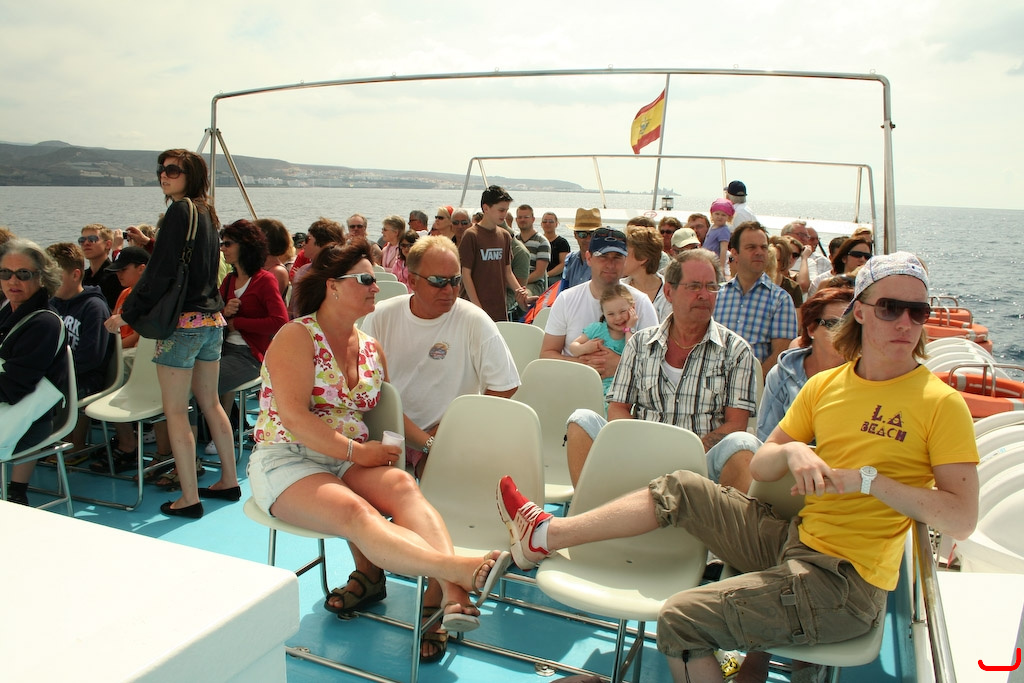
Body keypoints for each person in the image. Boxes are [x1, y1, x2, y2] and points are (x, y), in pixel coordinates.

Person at [496, 253, 979, 683]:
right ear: (861, 311)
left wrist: (869, 481)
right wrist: (793, 451)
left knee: (679, 619)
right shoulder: (828, 386)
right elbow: (764, 465)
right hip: (797, 539)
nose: (905, 323)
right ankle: (547, 534)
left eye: (918, 312)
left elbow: (961, 518)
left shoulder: (939, 403)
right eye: (890, 308)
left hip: (846, 581)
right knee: (682, 487)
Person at [247, 239, 511, 663]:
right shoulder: (296, 337)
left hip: (348, 458)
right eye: (365, 279)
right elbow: (294, 417)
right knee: (356, 512)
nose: (377, 287)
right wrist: (357, 452)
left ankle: (445, 596)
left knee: (404, 488)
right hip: (289, 458)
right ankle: (456, 576)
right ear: (332, 286)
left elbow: (383, 413)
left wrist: (417, 448)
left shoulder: (371, 348)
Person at [107, 148, 235, 519]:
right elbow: (191, 262)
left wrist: (127, 314)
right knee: (210, 404)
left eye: (173, 170)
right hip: (211, 321)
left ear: (191, 175)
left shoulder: (179, 211)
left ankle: (189, 497)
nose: (164, 175)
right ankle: (228, 480)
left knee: (176, 411)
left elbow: (161, 271)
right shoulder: (207, 212)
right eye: (161, 169)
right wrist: (152, 244)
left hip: (182, 325)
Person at [563, 250, 757, 488]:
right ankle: (589, 508)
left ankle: (722, 512)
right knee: (581, 420)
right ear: (669, 292)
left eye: (711, 287)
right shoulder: (639, 343)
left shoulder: (736, 351)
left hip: (701, 462)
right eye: (694, 286)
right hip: (641, 453)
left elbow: (736, 424)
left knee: (743, 443)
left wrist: (687, 453)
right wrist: (646, 447)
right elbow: (618, 408)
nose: (704, 295)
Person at [201, 220, 289, 488]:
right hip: (224, 350)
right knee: (189, 380)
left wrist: (238, 322)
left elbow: (280, 322)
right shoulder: (229, 281)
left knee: (199, 384)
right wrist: (223, 311)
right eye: (222, 244)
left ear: (245, 246)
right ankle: (207, 438)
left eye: (228, 244)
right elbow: (214, 313)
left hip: (250, 356)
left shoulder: (264, 280)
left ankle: (210, 441)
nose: (223, 249)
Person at [540, 227, 658, 383]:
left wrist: (620, 364)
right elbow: (547, 354)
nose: (610, 264)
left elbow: (655, 360)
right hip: (573, 386)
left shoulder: (641, 302)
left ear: (625, 260)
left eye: (617, 257)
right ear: (588, 258)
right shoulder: (566, 299)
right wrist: (585, 365)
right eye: (603, 256)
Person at [0, 239, 67, 506]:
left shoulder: (44, 323)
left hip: (28, 423)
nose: (12, 281)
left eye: (23, 274)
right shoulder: (7, 311)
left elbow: (13, 388)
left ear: (42, 277)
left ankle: (16, 493)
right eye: (5, 273)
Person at [46, 242, 112, 455]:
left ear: (75, 275)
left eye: (55, 276)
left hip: (87, 379)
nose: (48, 282)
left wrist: (52, 372)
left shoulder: (94, 307)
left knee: (35, 392)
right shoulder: (50, 305)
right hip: (56, 374)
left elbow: (91, 357)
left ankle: (70, 443)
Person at [714, 222, 799, 376]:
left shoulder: (780, 300)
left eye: (763, 247)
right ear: (735, 253)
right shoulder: (717, 295)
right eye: (751, 247)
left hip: (756, 384)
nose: (759, 252)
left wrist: (754, 383)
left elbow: (781, 353)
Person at [100, 246, 149, 469]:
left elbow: (138, 336)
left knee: (108, 373)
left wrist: (111, 350)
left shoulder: (148, 297)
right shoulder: (125, 293)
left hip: (138, 355)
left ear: (141, 269)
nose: (118, 274)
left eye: (123, 269)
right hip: (122, 351)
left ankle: (128, 444)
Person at [458, 185, 528, 322]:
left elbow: (507, 271)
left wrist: (521, 293)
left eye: (506, 210)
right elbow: (466, 275)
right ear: (486, 208)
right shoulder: (471, 235)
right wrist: (477, 309)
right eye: (501, 210)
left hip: (498, 308)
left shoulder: (505, 236)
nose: (504, 214)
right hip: (473, 310)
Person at [568, 285, 637, 396]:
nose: (618, 318)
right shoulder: (597, 329)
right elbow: (573, 347)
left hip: (618, 387)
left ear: (632, 308)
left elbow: (629, 356)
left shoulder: (633, 335)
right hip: (592, 384)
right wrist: (585, 348)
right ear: (603, 313)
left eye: (623, 311)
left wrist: (629, 328)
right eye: (611, 314)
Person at [621, 226, 671, 321]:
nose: (620, 258)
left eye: (625, 253)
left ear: (643, 258)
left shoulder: (670, 292)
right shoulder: (617, 289)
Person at [79, 224, 125, 310]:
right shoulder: (82, 277)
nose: (86, 243)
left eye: (92, 239)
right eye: (82, 240)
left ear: (108, 244)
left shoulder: (116, 276)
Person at [808, 236, 873, 296]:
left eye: (867, 256)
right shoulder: (826, 284)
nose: (862, 259)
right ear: (844, 258)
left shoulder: (872, 285)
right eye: (857, 255)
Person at [515, 205, 551, 297]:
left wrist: (519, 284)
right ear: (516, 220)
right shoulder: (514, 241)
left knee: (522, 296)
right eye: (520, 217)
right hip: (515, 282)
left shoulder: (542, 242)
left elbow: (539, 273)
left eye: (526, 217)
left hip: (534, 284)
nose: (522, 220)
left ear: (533, 219)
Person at [560, 208, 600, 288]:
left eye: (593, 234)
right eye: (582, 234)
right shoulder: (570, 259)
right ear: (575, 235)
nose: (588, 239)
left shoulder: (605, 263)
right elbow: (563, 289)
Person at [702, 199, 733, 276]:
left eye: (723, 215)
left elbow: (723, 250)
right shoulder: (712, 227)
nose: (720, 217)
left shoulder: (724, 230)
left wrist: (721, 267)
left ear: (728, 217)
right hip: (705, 259)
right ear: (712, 214)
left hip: (714, 262)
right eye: (717, 214)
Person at [540, 212, 570, 283]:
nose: (547, 224)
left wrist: (546, 275)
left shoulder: (562, 242)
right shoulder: (538, 241)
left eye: (551, 222)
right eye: (545, 221)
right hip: (539, 275)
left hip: (555, 277)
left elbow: (563, 264)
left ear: (556, 224)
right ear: (541, 224)